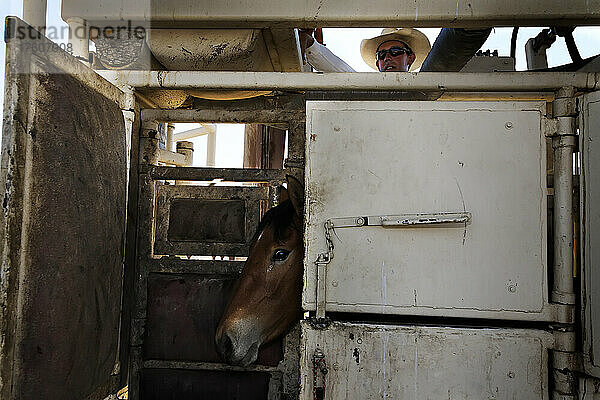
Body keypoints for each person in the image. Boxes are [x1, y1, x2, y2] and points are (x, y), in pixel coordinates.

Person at [301, 28, 431, 72]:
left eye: (395, 51)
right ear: (377, 63)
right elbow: (341, 71)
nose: (387, 58)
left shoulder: (427, 89)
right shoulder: (367, 88)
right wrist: (310, 43)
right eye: (381, 54)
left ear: (410, 58)